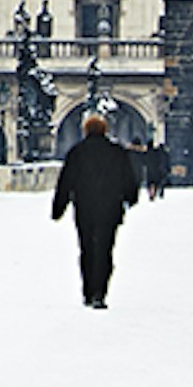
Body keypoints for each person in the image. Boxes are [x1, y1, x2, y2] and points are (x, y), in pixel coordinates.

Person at [51, 113, 138, 308]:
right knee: (105, 250)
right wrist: (130, 198)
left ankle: (88, 291)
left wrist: (59, 208)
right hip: (110, 208)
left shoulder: (77, 152)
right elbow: (128, 178)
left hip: (85, 207)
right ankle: (100, 292)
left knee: (87, 249)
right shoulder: (117, 153)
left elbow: (65, 182)